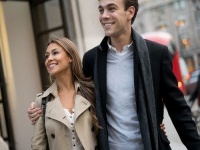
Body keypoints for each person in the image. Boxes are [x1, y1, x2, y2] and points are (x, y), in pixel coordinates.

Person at [28, 0, 200, 150]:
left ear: (130, 12)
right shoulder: (91, 59)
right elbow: (73, 95)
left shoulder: (156, 54)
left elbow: (178, 109)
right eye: (101, 10)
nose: (104, 16)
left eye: (111, 9)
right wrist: (42, 108)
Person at [31, 37, 99, 150]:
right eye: (47, 56)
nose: (49, 59)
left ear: (70, 57)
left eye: (55, 53)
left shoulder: (89, 91)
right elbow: (38, 145)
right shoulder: (43, 101)